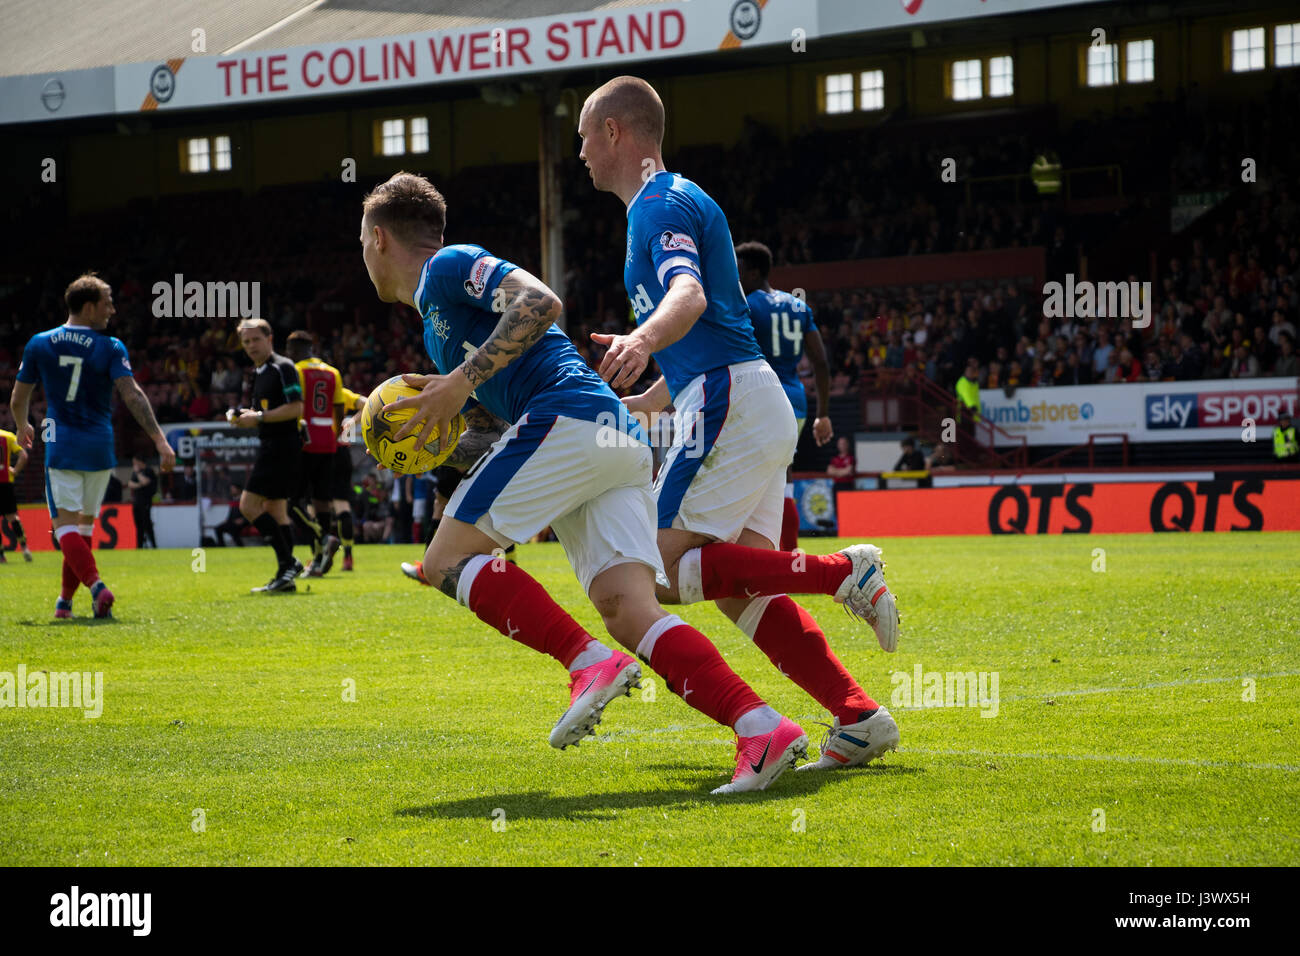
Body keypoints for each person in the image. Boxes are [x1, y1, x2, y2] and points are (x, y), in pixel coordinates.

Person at [362, 170, 805, 792]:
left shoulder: (445, 267)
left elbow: (540, 301)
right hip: (603, 436)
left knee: (444, 561)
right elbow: (504, 408)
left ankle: (586, 661)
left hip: (570, 417)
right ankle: (761, 728)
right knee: (629, 609)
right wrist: (440, 440)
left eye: (361, 240)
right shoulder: (438, 321)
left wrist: (459, 383)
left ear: (378, 237)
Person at [580, 76, 900, 774]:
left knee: (655, 571)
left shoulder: (655, 205)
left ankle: (845, 570)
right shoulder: (679, 198)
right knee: (736, 592)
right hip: (743, 398)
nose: (579, 154)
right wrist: (643, 402)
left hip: (728, 402)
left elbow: (689, 298)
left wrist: (640, 340)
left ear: (614, 133)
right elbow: (708, 334)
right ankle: (858, 718)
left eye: (583, 137)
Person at [9, 273, 176, 617]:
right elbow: (133, 394)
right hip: (101, 446)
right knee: (83, 529)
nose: (113, 309)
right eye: (107, 303)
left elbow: (18, 397)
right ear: (88, 308)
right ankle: (64, 603)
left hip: (62, 443)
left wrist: (22, 423)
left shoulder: (40, 342)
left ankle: (97, 586)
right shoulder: (111, 346)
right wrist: (160, 439)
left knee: (64, 529)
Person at [736, 240, 832, 551]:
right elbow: (820, 361)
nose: (733, 274)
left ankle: (754, 552)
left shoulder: (746, 306)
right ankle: (789, 556)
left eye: (737, 268)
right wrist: (824, 413)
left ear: (752, 272)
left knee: (748, 473)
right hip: (796, 399)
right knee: (785, 474)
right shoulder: (799, 306)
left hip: (761, 396)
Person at [230, 318, 304, 593]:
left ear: (270, 338)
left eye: (255, 339)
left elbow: (296, 408)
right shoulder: (258, 372)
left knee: (248, 506)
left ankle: (288, 563)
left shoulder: (283, 367)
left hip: (281, 446)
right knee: (276, 510)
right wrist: (242, 417)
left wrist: (258, 417)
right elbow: (259, 411)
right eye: (246, 341)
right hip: (273, 445)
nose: (251, 345)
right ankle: (286, 574)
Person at [285, 330, 344, 576]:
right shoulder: (333, 372)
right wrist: (335, 433)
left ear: (294, 350)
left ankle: (324, 538)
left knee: (294, 505)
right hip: (327, 440)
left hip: (304, 441)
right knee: (322, 501)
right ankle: (318, 560)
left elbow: (294, 406)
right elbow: (339, 407)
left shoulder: (295, 370)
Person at [0, 423, 32, 562]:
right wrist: (15, 470)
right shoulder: (7, 436)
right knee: (13, 517)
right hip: (6, 483)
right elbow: (23, 455)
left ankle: (1, 556)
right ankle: (24, 548)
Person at [126, 455, 158, 548]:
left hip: (145, 502)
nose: (134, 465)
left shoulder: (149, 471)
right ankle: (139, 546)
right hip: (136, 502)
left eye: (135, 462)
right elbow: (130, 484)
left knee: (147, 524)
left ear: (140, 462)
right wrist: (140, 484)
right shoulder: (135, 473)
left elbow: (145, 481)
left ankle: (154, 545)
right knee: (138, 526)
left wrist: (139, 474)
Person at [213, 482, 249, 547]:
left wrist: (243, 520)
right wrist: (227, 520)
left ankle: (240, 546)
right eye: (231, 489)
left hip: (243, 522)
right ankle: (222, 547)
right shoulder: (234, 500)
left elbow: (250, 512)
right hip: (232, 522)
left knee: (232, 529)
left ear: (239, 489)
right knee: (218, 529)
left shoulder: (245, 499)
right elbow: (231, 513)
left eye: (233, 489)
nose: (231, 490)